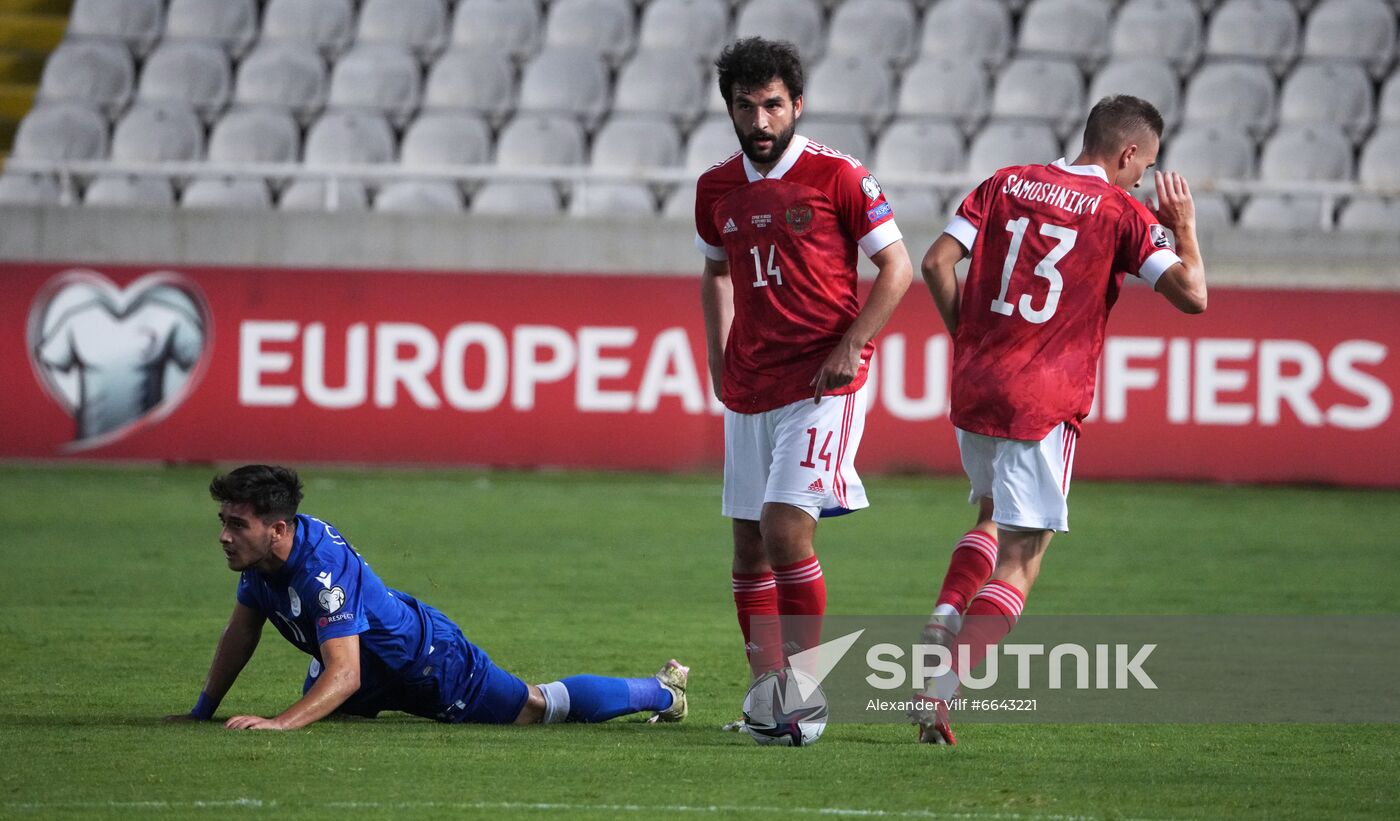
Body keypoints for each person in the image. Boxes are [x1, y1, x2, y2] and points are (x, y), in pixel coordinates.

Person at [913, 96, 1207, 744]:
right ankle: (944, 683)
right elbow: (1193, 296)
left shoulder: (1004, 181)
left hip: (976, 385)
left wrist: (969, 340)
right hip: (1041, 398)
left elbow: (935, 262)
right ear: (1128, 153)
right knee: (1024, 557)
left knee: (990, 511)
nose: (1142, 179)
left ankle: (944, 610)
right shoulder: (1120, 211)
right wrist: (1182, 226)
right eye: (1145, 166)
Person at [695, 37, 914, 687]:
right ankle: (766, 692)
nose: (759, 122)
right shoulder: (715, 188)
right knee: (748, 548)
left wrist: (853, 346)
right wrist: (717, 357)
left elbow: (897, 268)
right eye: (745, 107)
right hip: (751, 386)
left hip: (820, 383)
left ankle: (802, 688)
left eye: (772, 106)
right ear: (729, 109)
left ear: (797, 104)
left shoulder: (840, 175)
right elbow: (715, 273)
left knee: (786, 531)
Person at [165, 464, 687, 730]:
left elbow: (343, 675)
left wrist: (280, 724)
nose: (225, 536)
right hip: (363, 666)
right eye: (224, 522)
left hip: (428, 665)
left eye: (238, 524)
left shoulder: (321, 572)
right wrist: (201, 711)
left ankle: (662, 692)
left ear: (278, 529)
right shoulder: (263, 561)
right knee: (332, 710)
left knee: (537, 707)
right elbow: (242, 630)